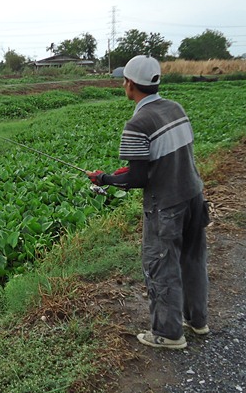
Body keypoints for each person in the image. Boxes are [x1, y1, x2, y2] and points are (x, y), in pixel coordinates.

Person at [88, 55, 210, 349]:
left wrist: (103, 178)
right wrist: (127, 172)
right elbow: (164, 160)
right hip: (194, 196)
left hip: (167, 206)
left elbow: (137, 179)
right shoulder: (175, 108)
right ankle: (197, 321)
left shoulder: (138, 123)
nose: (123, 84)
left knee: (161, 265)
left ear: (130, 84)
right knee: (192, 260)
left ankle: (168, 334)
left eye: (124, 80)